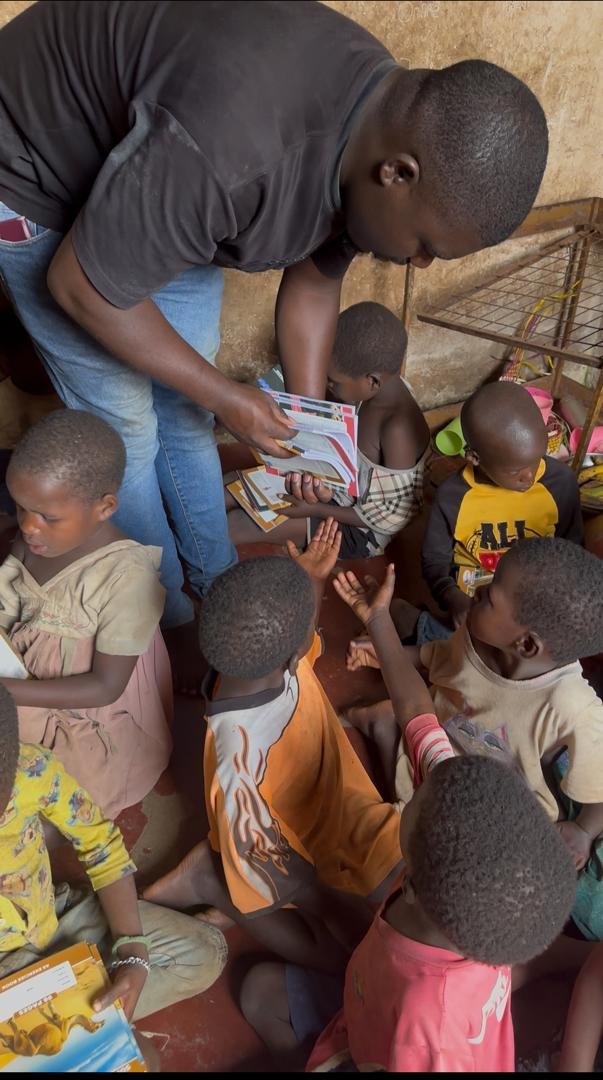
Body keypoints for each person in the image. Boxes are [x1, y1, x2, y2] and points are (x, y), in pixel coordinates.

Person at [0, 0, 550, 683]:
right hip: (39, 175)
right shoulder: (232, 146)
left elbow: (318, 277)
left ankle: (213, 575)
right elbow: (82, 283)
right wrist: (226, 395)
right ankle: (164, 618)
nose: (420, 266)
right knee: (132, 434)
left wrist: (308, 419)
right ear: (397, 174)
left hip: (159, 189)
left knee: (187, 408)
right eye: (425, 247)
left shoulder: (379, 125)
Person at [238, 564, 576, 1071]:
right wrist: (378, 621)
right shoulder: (471, 892)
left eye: (415, 798)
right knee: (260, 991)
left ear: (414, 880)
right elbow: (416, 712)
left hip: (388, 1040)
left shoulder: (430, 1031)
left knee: (259, 992)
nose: (422, 771)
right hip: (374, 999)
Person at [142, 520, 402, 968]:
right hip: (289, 856)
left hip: (345, 811)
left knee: (408, 886)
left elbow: (297, 638)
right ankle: (210, 880)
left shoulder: (259, 661)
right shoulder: (237, 765)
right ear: (286, 654)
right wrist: (336, 913)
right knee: (349, 954)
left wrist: (312, 580)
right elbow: (286, 874)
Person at [344, 538, 603, 945]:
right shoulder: (473, 639)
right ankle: (382, 727)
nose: (477, 590)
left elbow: (598, 786)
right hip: (433, 760)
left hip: (495, 819)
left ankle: (380, 724)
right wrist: (385, 652)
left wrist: (585, 830)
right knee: (382, 855)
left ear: (528, 643)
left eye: (490, 596)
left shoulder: (573, 708)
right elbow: (433, 659)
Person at [0, 683, 227, 1069]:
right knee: (141, 1060)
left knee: (205, 953)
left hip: (52, 920)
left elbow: (99, 842)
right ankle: (90, 1019)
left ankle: (91, 1012)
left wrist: (133, 953)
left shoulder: (29, 768)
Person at [0, 410, 172, 819]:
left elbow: (105, 688)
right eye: (19, 507)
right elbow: (11, 599)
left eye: (47, 517)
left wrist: (7, 693)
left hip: (84, 711)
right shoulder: (33, 541)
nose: (28, 526)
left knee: (51, 795)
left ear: (104, 507)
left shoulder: (126, 578)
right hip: (24, 678)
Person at [227, 302, 430, 558]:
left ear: (372, 381)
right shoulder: (373, 390)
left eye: (333, 381)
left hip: (359, 530)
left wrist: (316, 510)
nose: (326, 383)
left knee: (236, 526)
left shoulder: (396, 429)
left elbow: (392, 518)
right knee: (228, 487)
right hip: (333, 491)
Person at [422, 380, 583, 624]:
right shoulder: (453, 496)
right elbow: (434, 560)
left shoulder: (559, 483)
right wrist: (453, 598)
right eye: (516, 470)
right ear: (475, 457)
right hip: (475, 597)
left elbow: (572, 550)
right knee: (450, 645)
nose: (530, 476)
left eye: (537, 458)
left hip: (536, 595)